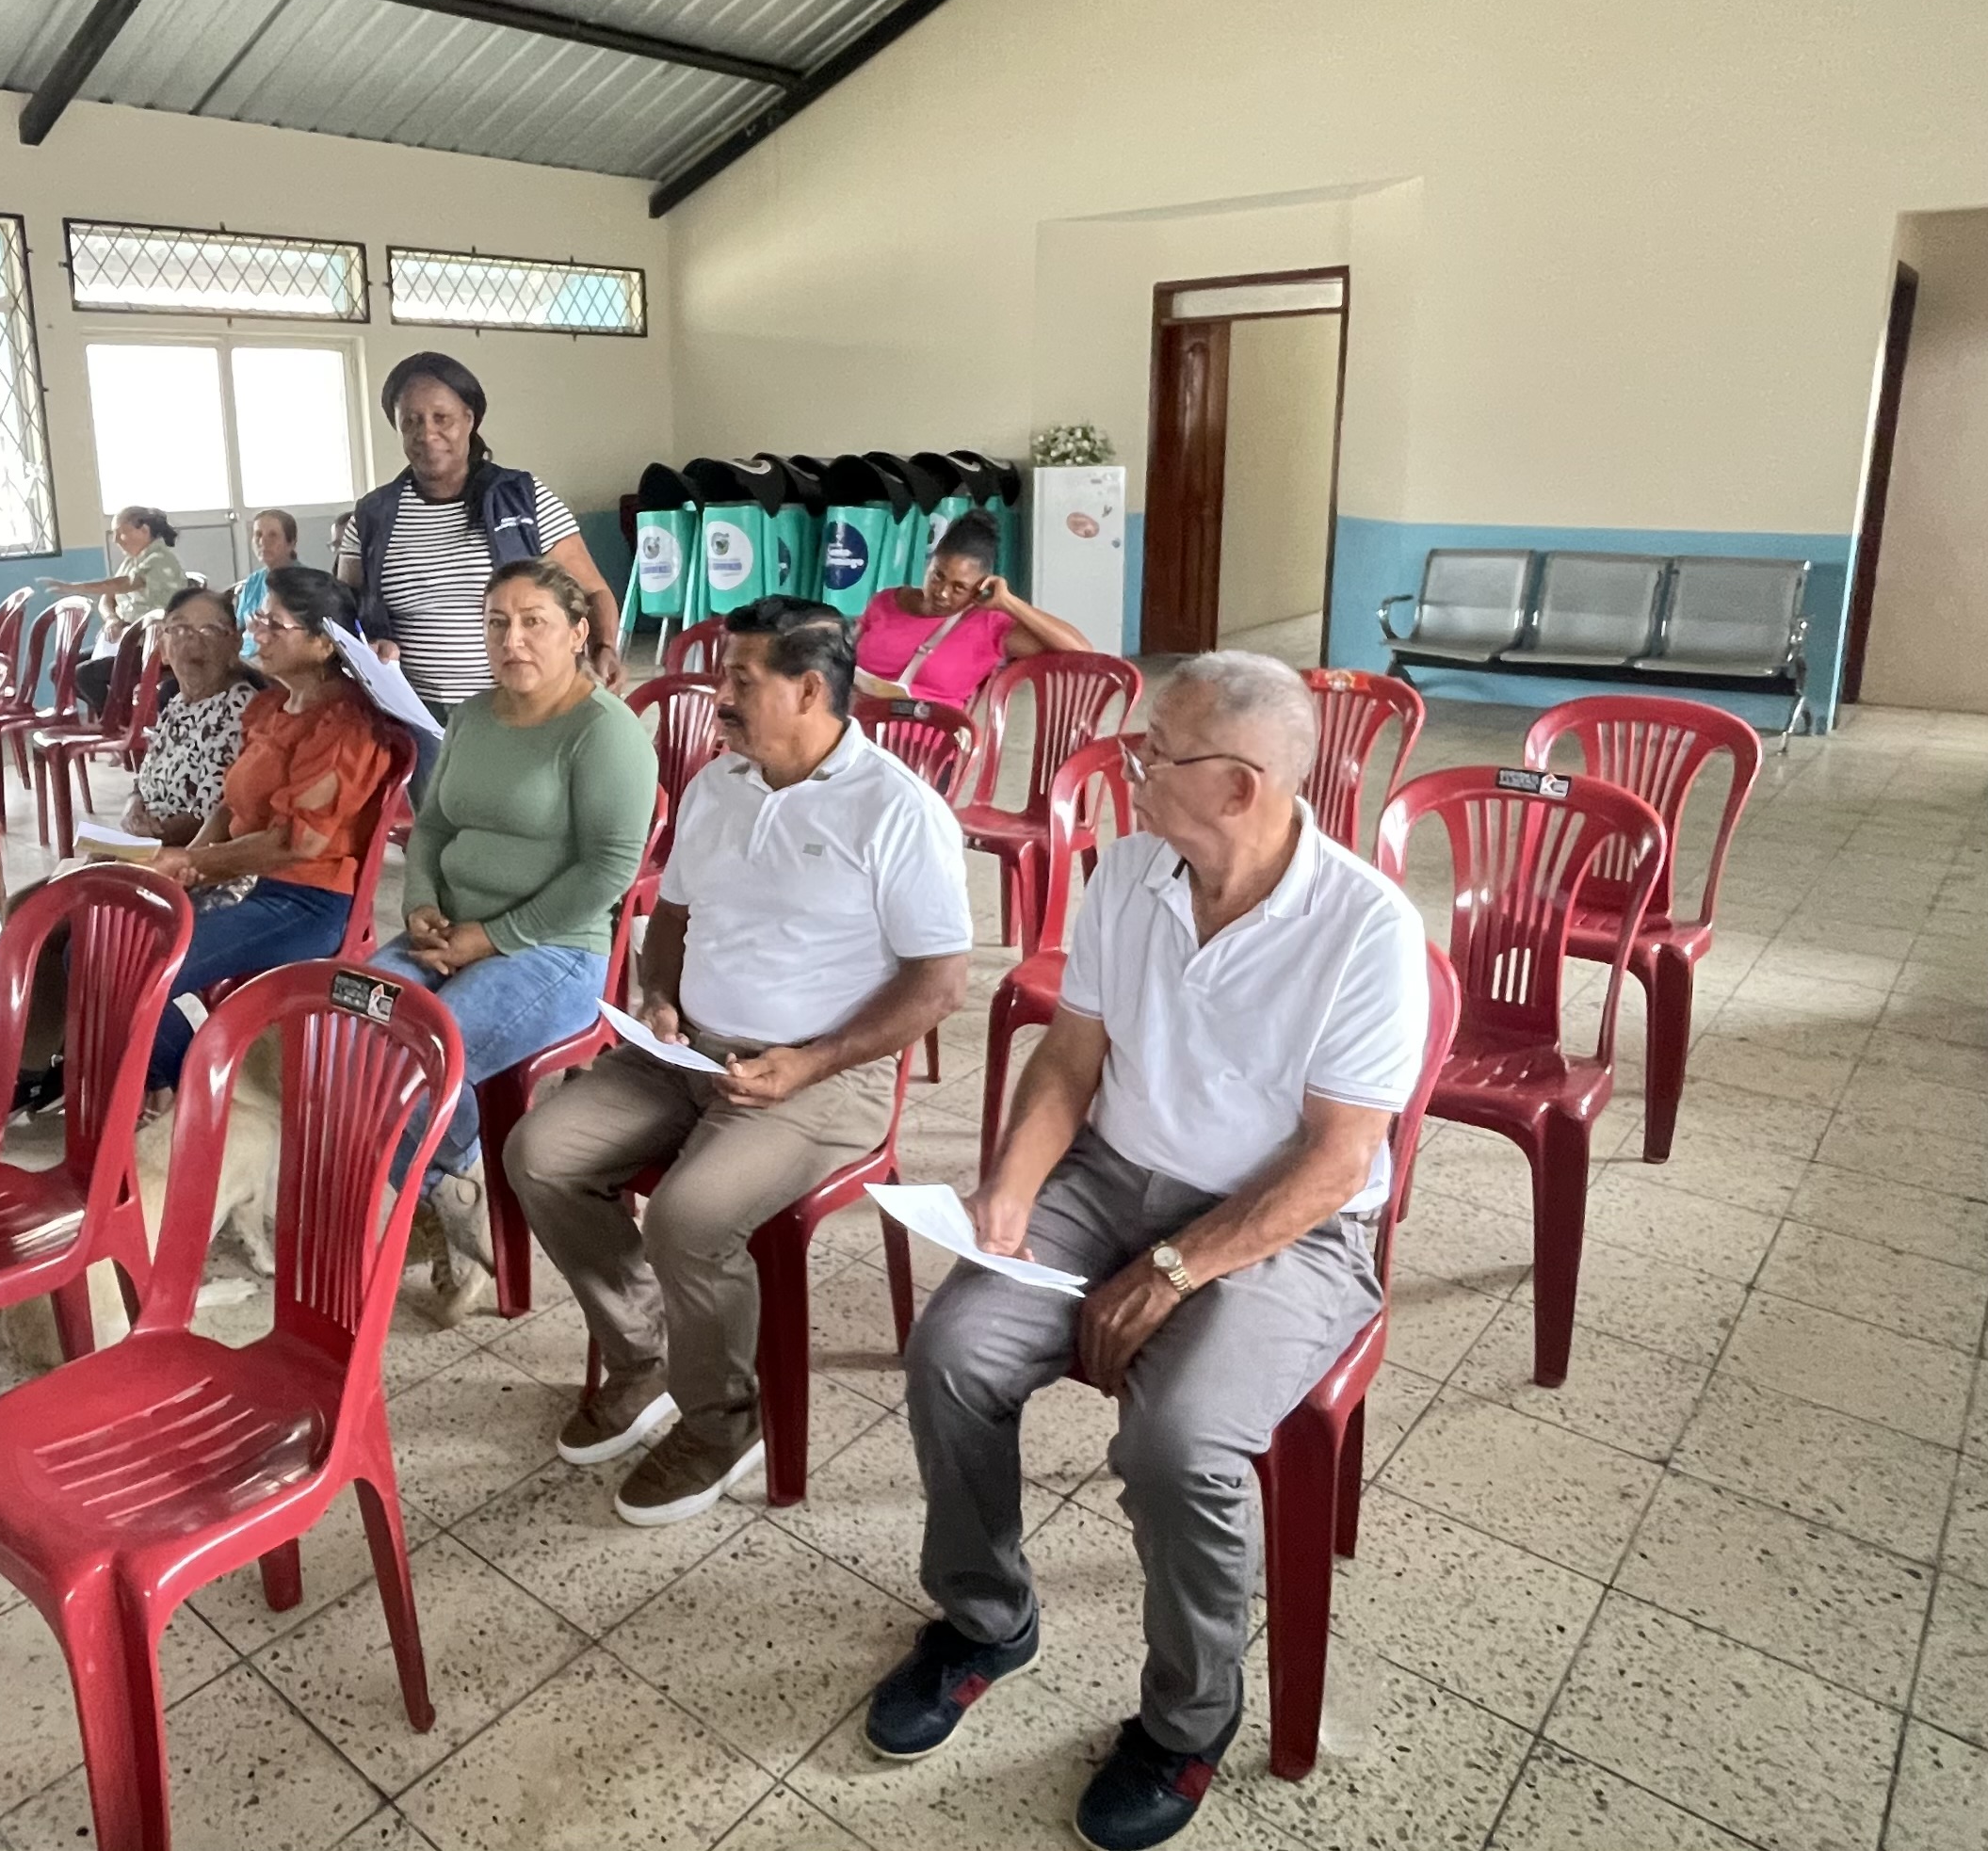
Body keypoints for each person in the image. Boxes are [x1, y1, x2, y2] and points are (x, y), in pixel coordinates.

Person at [870, 653, 1433, 1851]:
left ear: (1239, 786)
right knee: (953, 1353)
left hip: (1285, 1223)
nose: (1127, 767)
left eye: (1153, 752)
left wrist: (1178, 1269)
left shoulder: (1365, 928)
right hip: (1112, 1177)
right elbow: (1071, 1059)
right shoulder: (1131, 871)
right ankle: (985, 1620)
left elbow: (1336, 1163)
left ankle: (1188, 1721)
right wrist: (1012, 1186)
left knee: (1179, 1445)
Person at [509, 597, 970, 1526]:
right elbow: (673, 917)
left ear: (809, 691)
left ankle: (724, 1417)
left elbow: (939, 985)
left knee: (690, 1216)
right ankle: (644, 1355)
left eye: (740, 681)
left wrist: (811, 1061)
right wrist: (659, 999)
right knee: (540, 1154)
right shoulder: (720, 784)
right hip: (685, 1053)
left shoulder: (896, 810)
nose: (717, 696)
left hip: (821, 1077)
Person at [364, 559, 657, 1317]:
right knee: (350, 1027)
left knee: (424, 1053)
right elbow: (432, 825)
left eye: (534, 623)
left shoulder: (603, 732)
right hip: (446, 931)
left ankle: (446, 1205)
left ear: (578, 633)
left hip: (554, 947)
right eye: (497, 623)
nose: (512, 640)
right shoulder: (471, 715)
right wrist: (422, 904)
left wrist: (492, 937)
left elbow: (608, 869)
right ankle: (451, 1195)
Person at [126, 565, 402, 1100]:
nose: (258, 632)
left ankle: (218, 1095)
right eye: (258, 618)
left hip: (308, 901)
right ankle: (179, 1080)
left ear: (324, 643)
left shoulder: (345, 724)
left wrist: (195, 864)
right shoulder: (273, 704)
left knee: (142, 967)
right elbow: (229, 805)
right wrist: (186, 864)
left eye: (275, 624)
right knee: (103, 942)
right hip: (250, 881)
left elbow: (297, 843)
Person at [332, 350, 622, 706]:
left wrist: (605, 647)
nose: (427, 433)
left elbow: (594, 590)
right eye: (411, 421)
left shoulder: (524, 499)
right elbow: (342, 615)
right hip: (413, 715)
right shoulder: (371, 517)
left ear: (469, 419)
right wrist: (369, 647)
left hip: (521, 707)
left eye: (442, 418)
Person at [853, 510, 1088, 708]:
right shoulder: (886, 602)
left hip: (927, 741)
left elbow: (1081, 651)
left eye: (959, 588)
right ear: (929, 564)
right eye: (937, 576)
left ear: (981, 586)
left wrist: (1008, 602)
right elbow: (843, 660)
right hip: (859, 732)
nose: (942, 593)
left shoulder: (989, 625)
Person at [108, 583, 252, 846]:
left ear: (234, 645)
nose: (193, 640)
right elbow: (144, 782)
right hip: (150, 842)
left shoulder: (238, 709)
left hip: (188, 853)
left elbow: (212, 818)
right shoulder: (177, 703)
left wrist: (139, 843)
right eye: (179, 628)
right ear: (163, 649)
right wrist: (132, 807)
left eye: (210, 629)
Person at [63, 507, 191, 710]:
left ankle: (116, 719)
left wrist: (79, 587)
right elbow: (108, 598)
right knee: (61, 669)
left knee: (84, 674)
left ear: (144, 530)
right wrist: (112, 619)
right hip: (124, 641)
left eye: (121, 533)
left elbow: (127, 584)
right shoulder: (132, 561)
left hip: (150, 645)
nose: (116, 540)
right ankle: (116, 715)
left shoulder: (159, 559)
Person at [234, 507, 299, 656]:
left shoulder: (304, 582)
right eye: (258, 535)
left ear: (291, 543)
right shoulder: (253, 582)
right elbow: (239, 628)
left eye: (273, 535)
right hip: (247, 658)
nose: (263, 542)